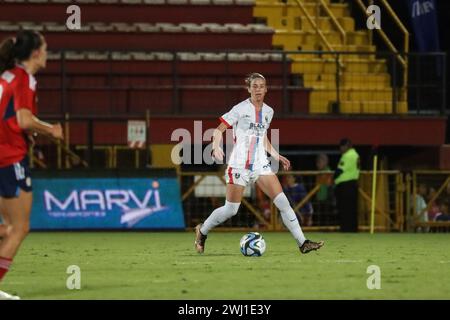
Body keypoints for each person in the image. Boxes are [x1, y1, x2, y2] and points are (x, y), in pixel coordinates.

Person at [194, 73, 324, 254]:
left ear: (266, 89)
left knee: (283, 203)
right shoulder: (240, 109)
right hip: (239, 164)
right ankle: (202, 231)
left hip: (260, 163)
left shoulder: (269, 112)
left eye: (261, 86)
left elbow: (262, 138)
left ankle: (303, 243)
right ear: (249, 89)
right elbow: (218, 130)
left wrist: (277, 155)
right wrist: (215, 146)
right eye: (254, 86)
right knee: (231, 209)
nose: (258, 89)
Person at [0, 31, 64, 300]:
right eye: (46, 48)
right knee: (20, 228)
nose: (48, 53)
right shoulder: (26, 79)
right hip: (10, 158)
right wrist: (51, 130)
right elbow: (25, 119)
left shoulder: (6, 76)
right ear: (36, 52)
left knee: (7, 227)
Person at [334, 138, 360, 232]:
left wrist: (333, 178)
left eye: (341, 146)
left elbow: (340, 170)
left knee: (344, 209)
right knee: (352, 209)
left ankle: (346, 229)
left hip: (346, 186)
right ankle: (353, 229)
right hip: (353, 184)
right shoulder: (355, 154)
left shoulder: (347, 155)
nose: (340, 149)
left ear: (346, 146)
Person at [315, 153, 334, 225]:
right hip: (319, 197)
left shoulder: (328, 171)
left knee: (326, 217)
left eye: (319, 162)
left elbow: (329, 185)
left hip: (326, 198)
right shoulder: (319, 172)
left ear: (325, 162)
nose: (317, 164)